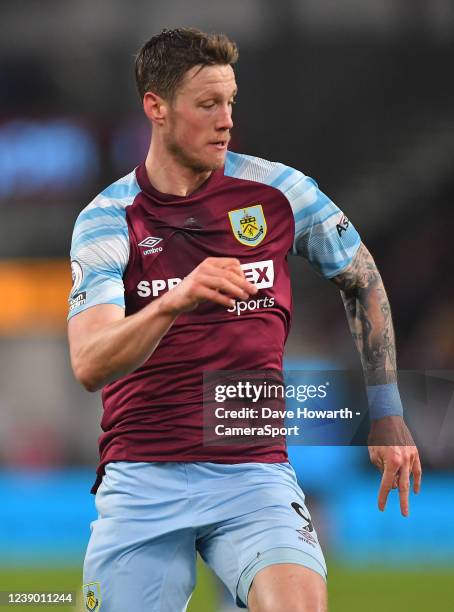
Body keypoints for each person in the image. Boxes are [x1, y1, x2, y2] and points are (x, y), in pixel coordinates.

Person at [67, 27, 422, 612]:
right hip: (142, 474)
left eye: (230, 101)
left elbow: (363, 280)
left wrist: (387, 413)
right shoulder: (109, 219)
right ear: (155, 108)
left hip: (252, 471)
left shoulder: (280, 192)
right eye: (207, 104)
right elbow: (89, 361)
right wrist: (175, 299)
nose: (226, 119)